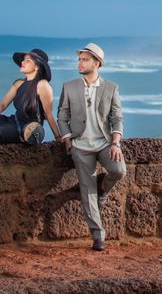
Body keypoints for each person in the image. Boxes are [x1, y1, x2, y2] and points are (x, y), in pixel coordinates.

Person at [57, 42, 126, 252]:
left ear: (97, 63)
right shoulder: (69, 87)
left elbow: (117, 117)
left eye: (85, 59)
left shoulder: (111, 87)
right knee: (87, 190)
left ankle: (103, 189)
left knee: (119, 170)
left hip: (105, 143)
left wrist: (116, 142)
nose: (80, 63)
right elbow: (62, 116)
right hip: (80, 145)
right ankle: (98, 235)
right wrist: (68, 142)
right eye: (79, 59)